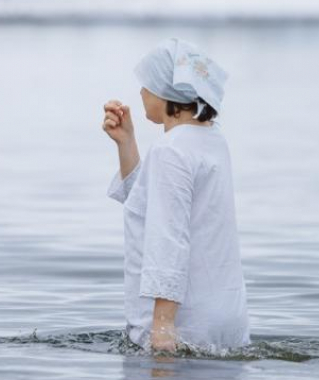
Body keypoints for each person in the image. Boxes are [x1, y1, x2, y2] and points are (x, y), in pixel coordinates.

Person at [102, 37, 251, 354]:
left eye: (145, 84)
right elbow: (152, 205)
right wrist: (126, 142)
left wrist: (162, 329)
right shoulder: (210, 139)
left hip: (182, 325)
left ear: (165, 91)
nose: (140, 93)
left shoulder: (171, 150)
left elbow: (167, 238)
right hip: (224, 317)